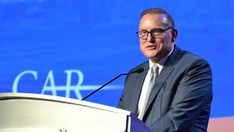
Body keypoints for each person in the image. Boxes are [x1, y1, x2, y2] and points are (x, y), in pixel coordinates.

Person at [118, 8, 213, 132]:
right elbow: (121, 119)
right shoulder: (134, 75)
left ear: (173, 35)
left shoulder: (194, 67)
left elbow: (176, 121)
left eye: (157, 32)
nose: (149, 39)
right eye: (143, 33)